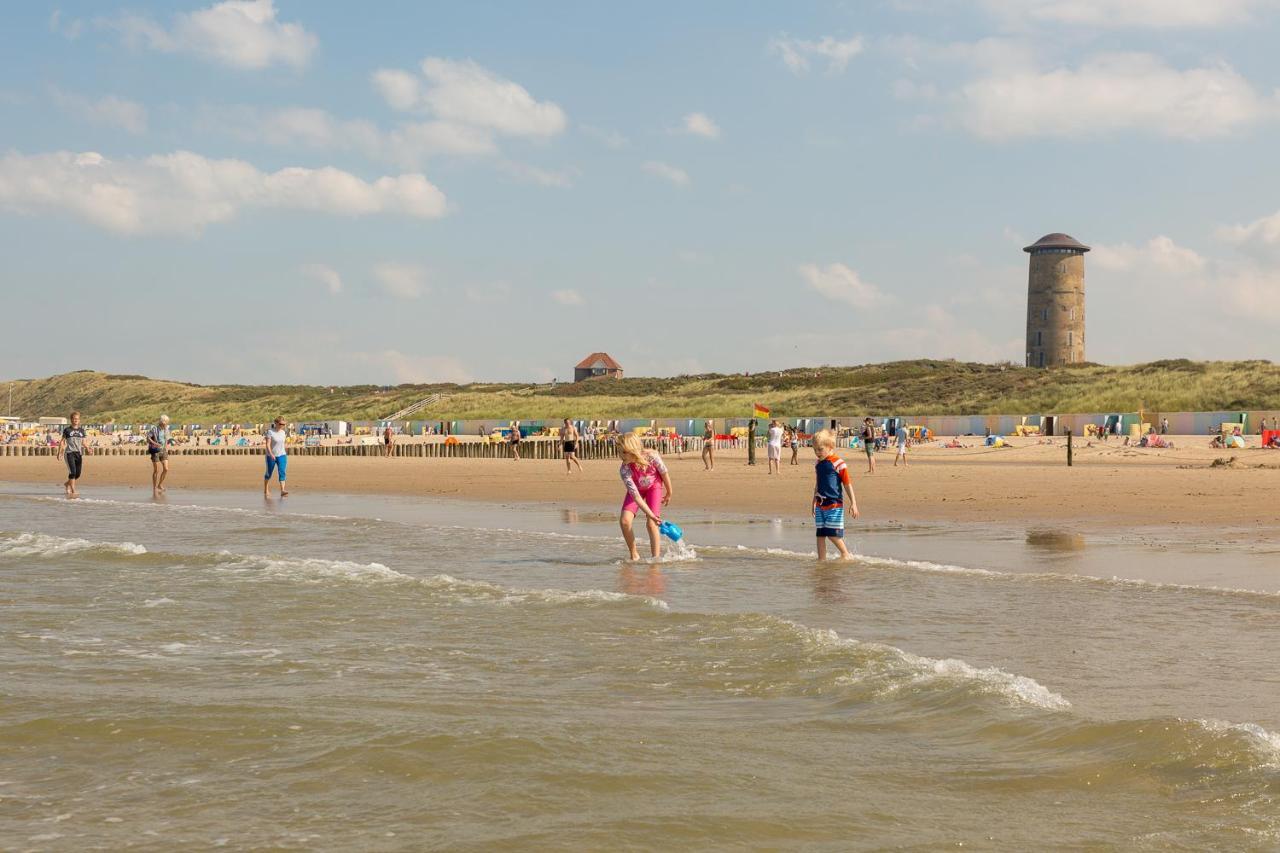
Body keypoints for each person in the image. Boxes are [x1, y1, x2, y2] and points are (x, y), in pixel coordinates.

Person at [617, 433, 672, 561]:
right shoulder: (624, 469)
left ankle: (655, 558)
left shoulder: (652, 456)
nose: (621, 456)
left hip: (654, 488)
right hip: (637, 492)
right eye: (619, 452)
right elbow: (636, 496)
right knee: (625, 521)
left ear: (633, 450)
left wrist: (669, 492)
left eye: (624, 452)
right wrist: (650, 513)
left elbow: (664, 473)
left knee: (651, 523)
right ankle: (634, 554)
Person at [812, 428, 859, 560]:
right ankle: (821, 560)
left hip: (834, 504)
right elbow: (817, 484)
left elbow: (847, 484)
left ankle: (845, 554)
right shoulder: (817, 463)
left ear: (830, 446)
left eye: (820, 449)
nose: (817, 453)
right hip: (820, 504)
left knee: (832, 534)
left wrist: (853, 503)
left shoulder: (839, 463)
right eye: (814, 449)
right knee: (820, 534)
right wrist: (813, 502)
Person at [56, 411, 88, 497]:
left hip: (79, 453)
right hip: (69, 453)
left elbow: (84, 442)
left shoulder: (82, 430)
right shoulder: (67, 430)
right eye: (74, 419)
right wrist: (59, 452)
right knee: (72, 472)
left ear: (79, 420)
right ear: (71, 420)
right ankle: (73, 491)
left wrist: (88, 448)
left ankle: (67, 484)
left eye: (77, 419)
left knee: (77, 474)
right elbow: (62, 442)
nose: (75, 420)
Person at [264, 417, 290, 498]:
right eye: (281, 424)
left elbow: (283, 443)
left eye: (284, 424)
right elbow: (268, 444)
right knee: (269, 473)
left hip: (282, 455)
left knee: (282, 472)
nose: (283, 425)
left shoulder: (283, 432)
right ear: (276, 423)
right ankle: (266, 489)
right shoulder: (270, 432)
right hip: (271, 456)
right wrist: (271, 454)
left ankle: (282, 490)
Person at [147, 414, 171, 496]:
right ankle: (154, 487)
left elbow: (167, 439)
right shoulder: (154, 429)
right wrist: (155, 443)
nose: (166, 423)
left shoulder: (166, 429)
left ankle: (160, 484)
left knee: (166, 469)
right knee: (156, 470)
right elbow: (148, 437)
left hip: (163, 451)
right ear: (161, 421)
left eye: (166, 422)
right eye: (165, 422)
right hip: (155, 451)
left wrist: (166, 448)